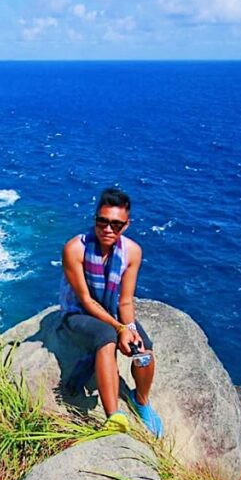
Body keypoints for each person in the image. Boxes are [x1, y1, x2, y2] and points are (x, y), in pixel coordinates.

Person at [59, 187, 163, 437]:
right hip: (78, 312)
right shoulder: (75, 249)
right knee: (106, 338)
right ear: (95, 219)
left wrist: (130, 330)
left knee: (143, 349)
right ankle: (114, 417)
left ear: (126, 225)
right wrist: (119, 329)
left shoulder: (132, 252)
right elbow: (85, 299)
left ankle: (141, 400)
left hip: (111, 309)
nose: (107, 229)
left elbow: (125, 302)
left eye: (116, 224)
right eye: (102, 221)